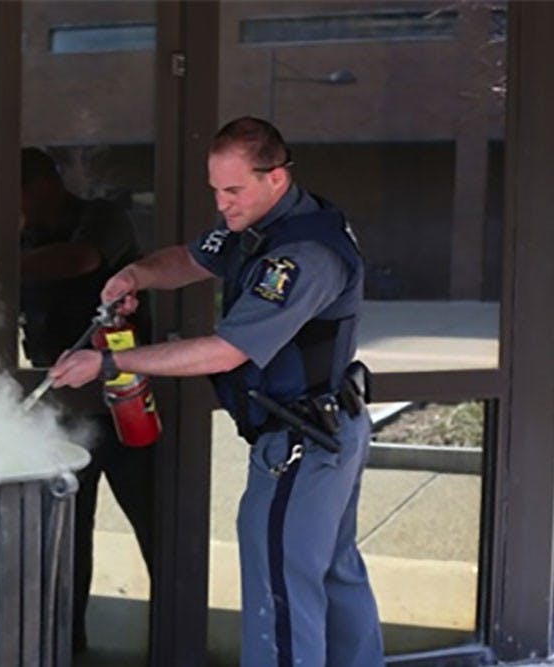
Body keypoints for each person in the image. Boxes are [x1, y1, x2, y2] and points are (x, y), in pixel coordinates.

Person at [49, 118, 384, 666]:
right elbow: (193, 258)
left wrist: (108, 361)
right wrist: (135, 275)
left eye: (234, 190)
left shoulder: (302, 257)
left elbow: (225, 351)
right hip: (326, 430)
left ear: (275, 177)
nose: (223, 204)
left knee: (280, 591)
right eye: (216, 190)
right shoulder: (266, 221)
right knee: (331, 571)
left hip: (301, 443)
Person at [19, 147, 155, 654]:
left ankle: (175, 632)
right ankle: (67, 643)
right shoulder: (26, 237)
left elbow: (81, 261)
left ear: (42, 186)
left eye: (19, 196)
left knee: (155, 524)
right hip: (61, 412)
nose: (19, 210)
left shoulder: (101, 218)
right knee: (68, 536)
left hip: (124, 402)